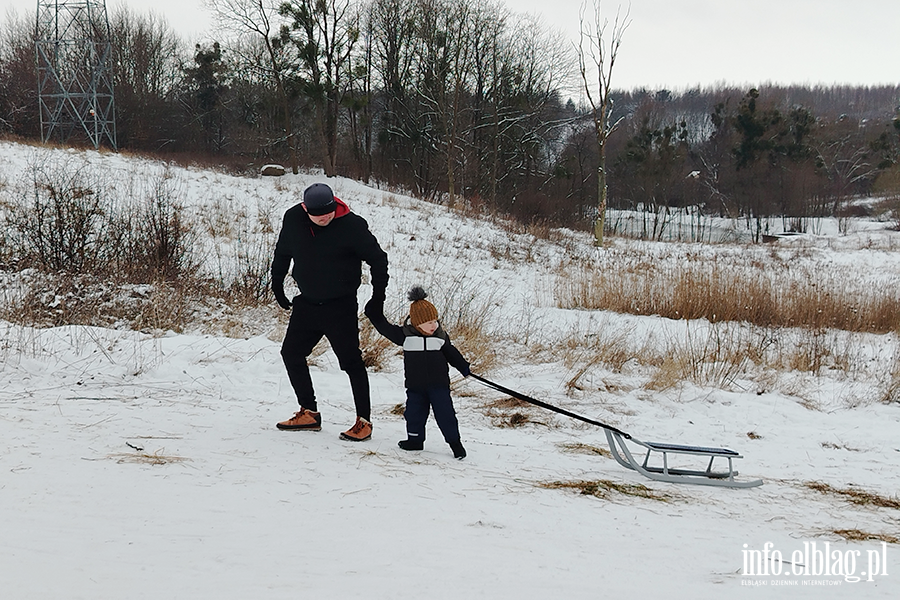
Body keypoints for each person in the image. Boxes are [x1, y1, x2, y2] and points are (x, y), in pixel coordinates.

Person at [271, 182, 388, 441]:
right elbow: (283, 250)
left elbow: (378, 259)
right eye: (317, 214)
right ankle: (309, 412)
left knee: (351, 363)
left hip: (340, 307)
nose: (325, 217)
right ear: (305, 209)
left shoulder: (353, 226)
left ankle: (363, 422)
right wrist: (277, 283)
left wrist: (377, 298)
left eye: (329, 211)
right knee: (291, 353)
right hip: (308, 303)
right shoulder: (293, 218)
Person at [365, 286, 470, 459]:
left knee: (446, 415)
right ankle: (414, 441)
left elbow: (453, 354)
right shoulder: (405, 336)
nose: (433, 325)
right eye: (429, 322)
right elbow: (384, 327)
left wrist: (464, 367)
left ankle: (455, 444)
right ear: (416, 323)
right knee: (414, 414)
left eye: (435, 321)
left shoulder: (440, 337)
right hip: (415, 387)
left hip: (439, 387)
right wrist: (373, 314)